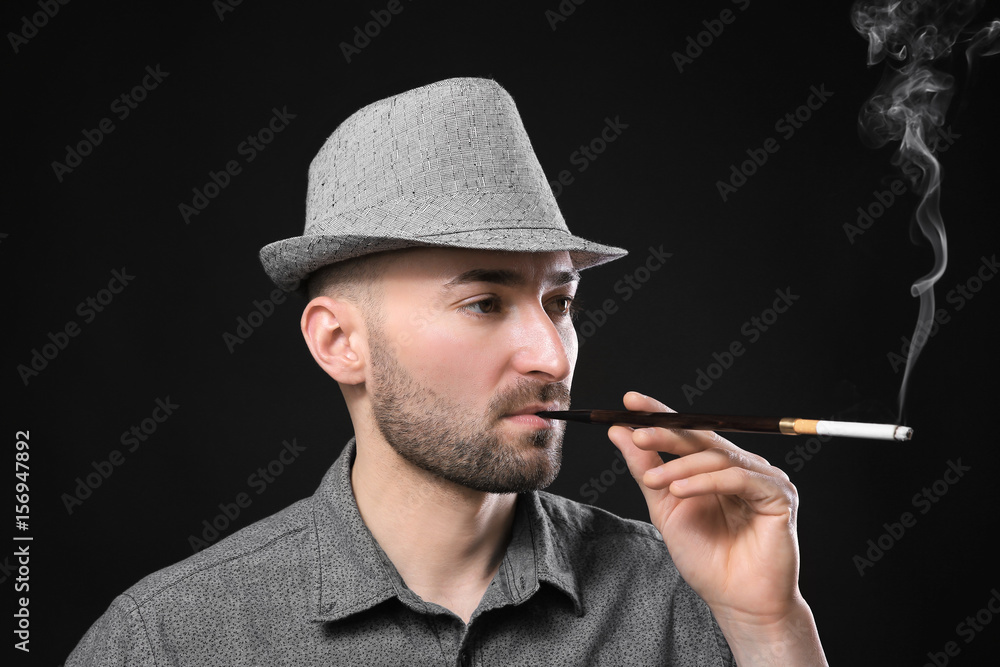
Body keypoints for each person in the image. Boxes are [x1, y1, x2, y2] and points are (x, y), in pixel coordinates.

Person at [67, 78, 828, 666]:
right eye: (483, 302)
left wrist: (771, 628)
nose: (553, 355)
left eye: (559, 301)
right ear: (338, 341)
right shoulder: (169, 639)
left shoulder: (685, 597)